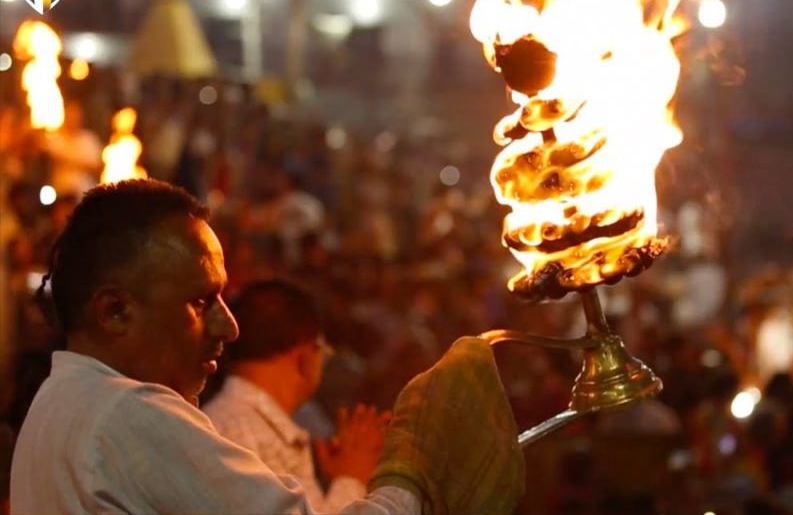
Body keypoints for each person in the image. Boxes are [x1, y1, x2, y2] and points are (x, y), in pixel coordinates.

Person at [11, 179, 524, 515]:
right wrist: (412, 467)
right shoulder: (124, 412)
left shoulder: (58, 405)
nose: (229, 327)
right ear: (115, 311)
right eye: (201, 301)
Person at [203, 279, 388, 513]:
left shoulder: (235, 425)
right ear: (304, 356)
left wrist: (336, 482)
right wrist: (352, 478)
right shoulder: (242, 435)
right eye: (322, 350)